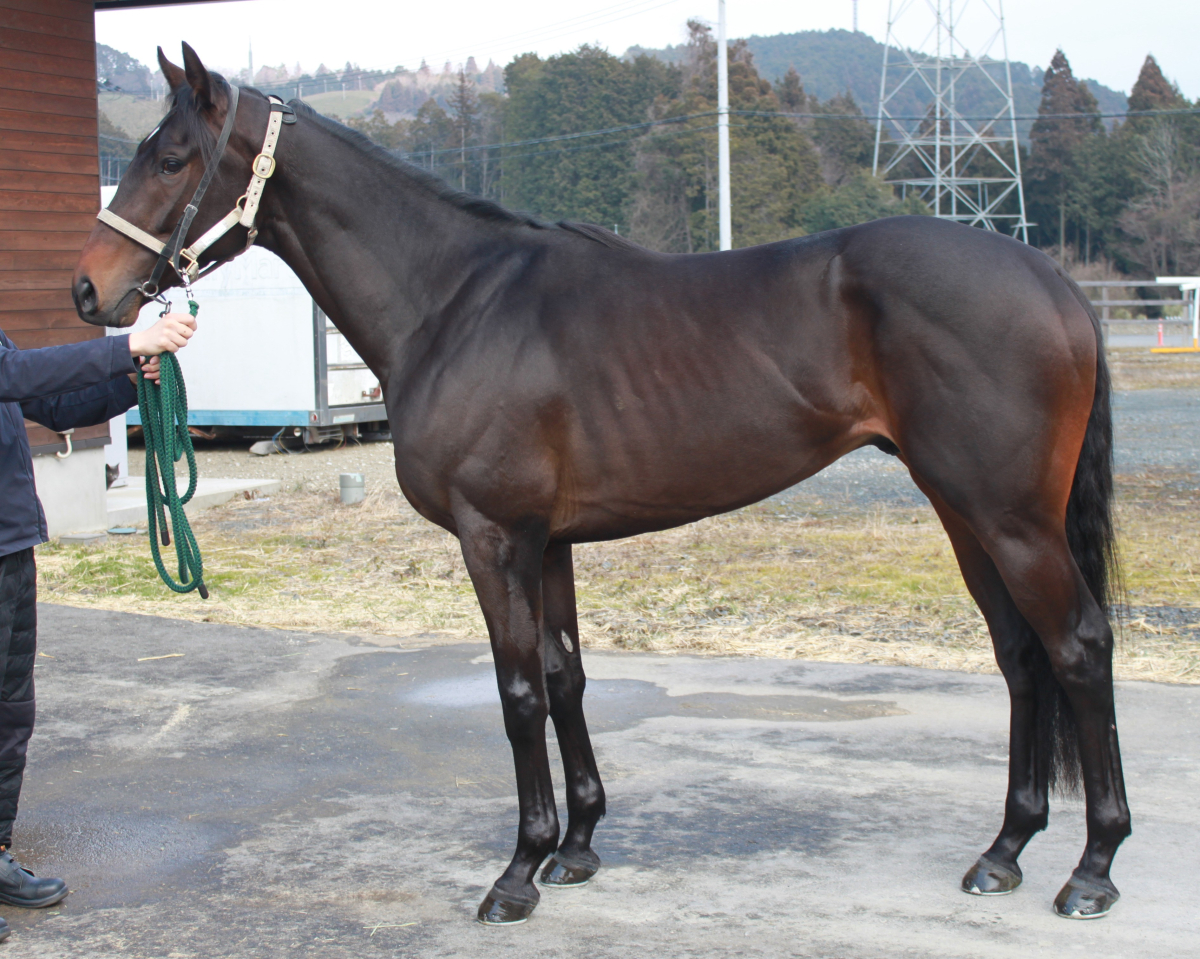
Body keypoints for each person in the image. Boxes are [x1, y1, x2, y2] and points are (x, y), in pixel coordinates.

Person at [0, 312, 196, 939]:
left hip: (10, 546)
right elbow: (11, 374)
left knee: (10, 713)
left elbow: (50, 403)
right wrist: (125, 344)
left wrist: (134, 377)